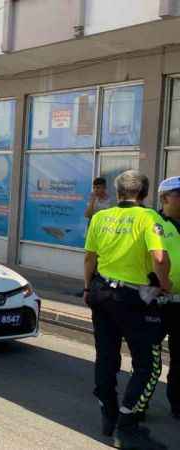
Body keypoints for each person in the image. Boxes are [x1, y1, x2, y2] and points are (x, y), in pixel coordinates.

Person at [83, 170, 171, 449]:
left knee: (106, 356)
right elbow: (159, 257)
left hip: (100, 292)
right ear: (144, 194)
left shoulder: (100, 217)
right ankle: (127, 422)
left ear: (118, 192)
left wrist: (87, 288)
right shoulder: (149, 218)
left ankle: (107, 413)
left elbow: (89, 258)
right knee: (147, 364)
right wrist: (165, 283)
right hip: (133, 299)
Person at [156, 176, 180, 420]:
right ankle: (137, 405)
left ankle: (177, 404)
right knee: (149, 358)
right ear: (165, 198)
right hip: (158, 301)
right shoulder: (153, 223)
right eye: (179, 195)